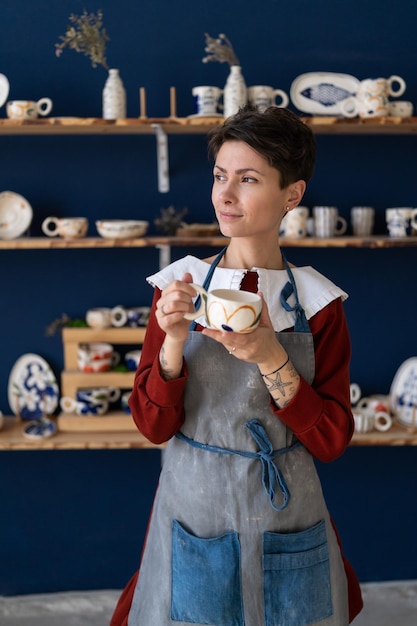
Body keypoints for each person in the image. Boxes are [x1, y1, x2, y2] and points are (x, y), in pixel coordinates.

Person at [110, 105, 363, 625]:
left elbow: (332, 439)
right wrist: (173, 343)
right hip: (194, 522)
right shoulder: (178, 289)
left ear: (292, 195)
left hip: (288, 521)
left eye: (248, 179)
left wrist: (273, 358)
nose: (225, 195)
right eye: (220, 176)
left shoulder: (318, 304)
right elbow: (153, 426)